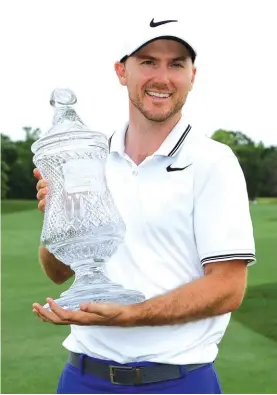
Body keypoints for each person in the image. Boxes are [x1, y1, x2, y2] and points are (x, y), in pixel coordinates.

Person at [33, 17, 256, 394]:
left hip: (178, 381)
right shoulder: (87, 158)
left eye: (176, 64)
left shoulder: (213, 161)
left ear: (192, 75)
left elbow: (228, 287)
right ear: (122, 71)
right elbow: (56, 273)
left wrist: (131, 315)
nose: (163, 77)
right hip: (82, 378)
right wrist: (61, 214)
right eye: (148, 61)